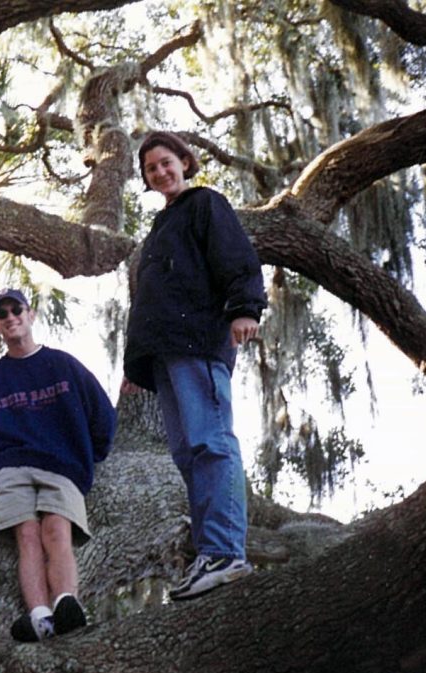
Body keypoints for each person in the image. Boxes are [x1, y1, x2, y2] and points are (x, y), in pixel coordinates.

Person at [122, 131, 267, 601]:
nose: (161, 172)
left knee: (212, 441)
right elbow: (151, 299)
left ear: (185, 162)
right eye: (151, 169)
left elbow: (235, 256)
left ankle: (227, 552)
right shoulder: (160, 226)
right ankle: (209, 555)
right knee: (187, 453)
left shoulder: (205, 203)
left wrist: (245, 307)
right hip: (163, 354)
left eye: (166, 162)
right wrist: (134, 364)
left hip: (199, 344)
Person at [0, 288, 117, 641]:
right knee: (27, 535)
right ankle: (40, 616)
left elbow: (103, 416)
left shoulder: (63, 365)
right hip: (9, 468)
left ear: (30, 314)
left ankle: (67, 603)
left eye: (16, 309)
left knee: (56, 528)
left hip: (61, 464)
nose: (11, 317)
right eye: (2, 314)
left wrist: (87, 458)